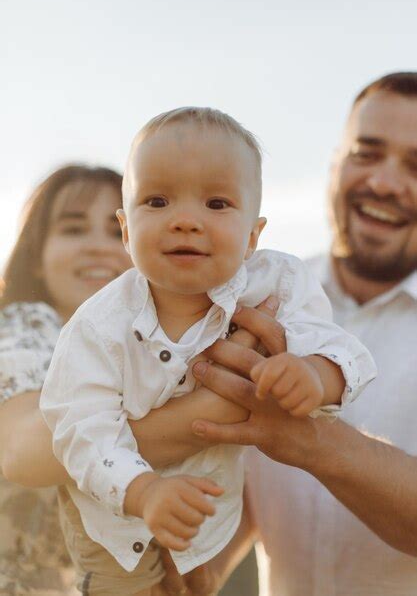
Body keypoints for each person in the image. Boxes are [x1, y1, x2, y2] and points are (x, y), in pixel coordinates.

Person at [40, 107, 375, 596]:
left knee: (195, 587)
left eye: (217, 204)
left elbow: (341, 348)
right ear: (126, 229)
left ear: (254, 236)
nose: (185, 221)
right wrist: (144, 491)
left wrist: (314, 374)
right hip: (110, 512)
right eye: (157, 201)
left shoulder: (275, 284)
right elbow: (78, 427)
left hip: (210, 507)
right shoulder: (98, 326)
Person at [176, 71, 417, 596]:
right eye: (366, 152)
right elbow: (234, 506)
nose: (384, 183)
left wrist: (313, 441)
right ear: (334, 162)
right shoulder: (261, 295)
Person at [0, 164, 133, 595]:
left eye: (117, 233)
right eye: (74, 229)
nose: (98, 248)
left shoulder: (147, 351)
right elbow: (25, 449)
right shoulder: (21, 328)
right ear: (36, 255)